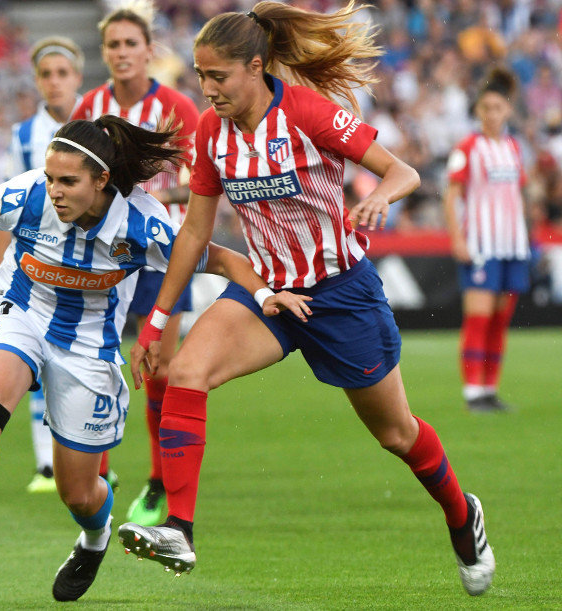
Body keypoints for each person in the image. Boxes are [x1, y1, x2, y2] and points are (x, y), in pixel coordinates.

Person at [118, 3, 496, 598]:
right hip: (267, 294)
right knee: (187, 371)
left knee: (396, 434)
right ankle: (179, 529)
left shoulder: (308, 113)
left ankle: (460, 512)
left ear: (256, 67)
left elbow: (403, 172)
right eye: (200, 76)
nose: (207, 89)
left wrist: (380, 197)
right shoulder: (212, 132)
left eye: (218, 76)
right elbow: (193, 233)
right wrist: (158, 318)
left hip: (341, 295)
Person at [0, 115, 311, 602]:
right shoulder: (28, 195)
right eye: (50, 178)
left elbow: (223, 259)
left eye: (68, 181)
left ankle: (94, 538)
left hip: (88, 347)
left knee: (79, 494)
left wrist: (265, 294)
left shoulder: (142, 224)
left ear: (101, 180)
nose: (54, 191)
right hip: (19, 311)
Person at [71, 0, 201, 526]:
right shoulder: (91, 106)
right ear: (104, 52)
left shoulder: (176, 107)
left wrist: (153, 200)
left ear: (149, 50)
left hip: (161, 254)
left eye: (131, 44)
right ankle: (99, 474)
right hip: (103, 252)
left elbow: (202, 182)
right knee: (95, 358)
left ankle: (157, 481)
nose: (122, 52)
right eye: (114, 45)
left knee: (160, 369)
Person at [0, 36, 85, 493]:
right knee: (34, 359)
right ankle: (46, 464)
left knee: (81, 361)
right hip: (38, 262)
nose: (54, 82)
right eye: (46, 74)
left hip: (89, 261)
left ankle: (87, 461)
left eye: (62, 73)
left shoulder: (98, 125)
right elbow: (7, 206)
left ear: (78, 77)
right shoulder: (24, 136)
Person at [443, 66, 529, 413]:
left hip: (512, 245)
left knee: (499, 321)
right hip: (481, 244)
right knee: (478, 318)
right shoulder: (468, 147)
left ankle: (490, 390)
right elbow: (451, 196)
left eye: (498, 108)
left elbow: (518, 194)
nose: (492, 114)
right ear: (477, 111)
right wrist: (457, 238)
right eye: (486, 108)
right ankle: (473, 392)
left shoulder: (513, 146)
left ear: (508, 110)